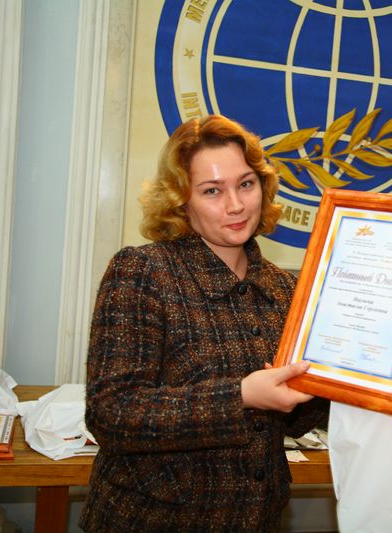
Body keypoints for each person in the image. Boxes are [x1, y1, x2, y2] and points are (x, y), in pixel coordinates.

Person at [79, 115, 328, 532]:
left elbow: (296, 420)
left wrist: (331, 377)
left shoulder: (287, 289)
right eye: (212, 191)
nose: (236, 205)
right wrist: (241, 396)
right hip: (155, 521)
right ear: (181, 200)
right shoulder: (143, 272)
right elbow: (112, 414)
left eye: (246, 184)